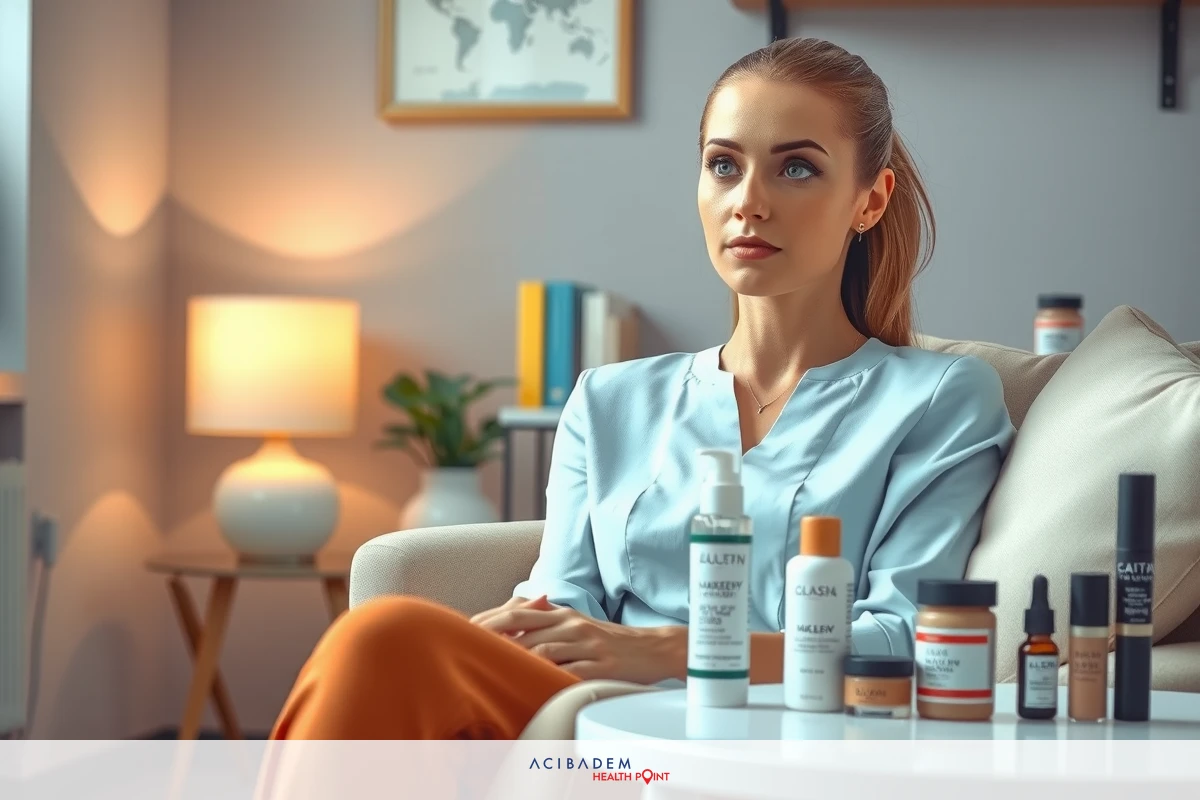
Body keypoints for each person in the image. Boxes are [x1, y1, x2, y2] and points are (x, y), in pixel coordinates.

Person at [268, 37, 1015, 741]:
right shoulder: (608, 399)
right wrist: (530, 623)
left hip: (774, 725)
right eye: (724, 165)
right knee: (382, 636)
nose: (748, 201)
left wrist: (664, 650)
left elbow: (907, 632)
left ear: (870, 201)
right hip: (588, 716)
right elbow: (565, 598)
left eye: (796, 168)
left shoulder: (942, 398)